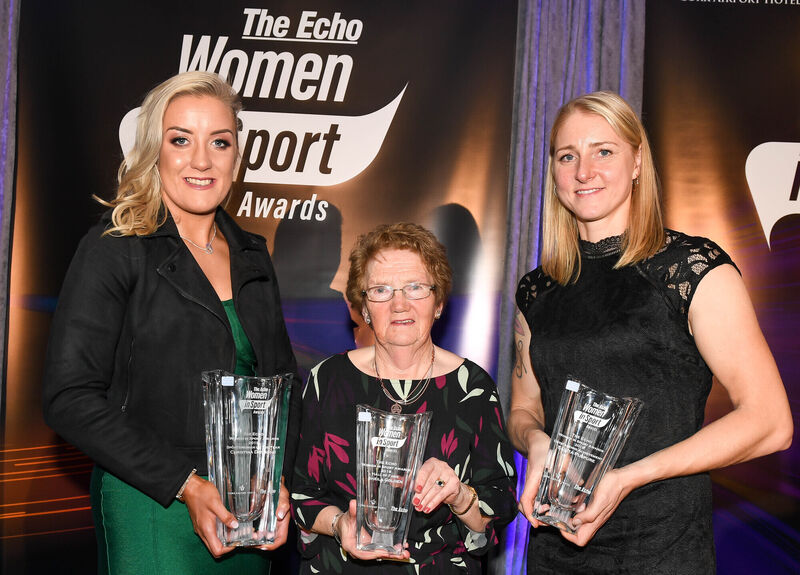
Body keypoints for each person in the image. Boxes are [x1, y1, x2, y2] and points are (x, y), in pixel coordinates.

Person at [508, 91, 793, 573]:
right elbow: (523, 407)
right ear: (553, 171)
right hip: (554, 552)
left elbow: (770, 422)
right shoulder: (537, 289)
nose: (584, 171)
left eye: (604, 151)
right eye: (567, 156)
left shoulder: (691, 268)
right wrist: (536, 442)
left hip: (661, 550)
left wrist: (628, 478)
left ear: (637, 161)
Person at [42, 71, 297, 574]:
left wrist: (276, 480)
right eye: (181, 140)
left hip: (247, 509)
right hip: (152, 500)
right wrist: (186, 482)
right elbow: (68, 397)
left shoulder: (253, 255)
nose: (201, 160)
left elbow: (280, 385)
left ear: (236, 158)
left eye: (219, 142)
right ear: (154, 151)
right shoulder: (115, 248)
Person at [291, 222, 518, 573]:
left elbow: (499, 507)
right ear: (364, 308)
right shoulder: (328, 380)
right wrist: (339, 526)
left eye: (415, 288)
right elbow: (302, 493)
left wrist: (459, 496)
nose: (399, 304)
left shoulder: (473, 387)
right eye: (381, 290)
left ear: (438, 301)